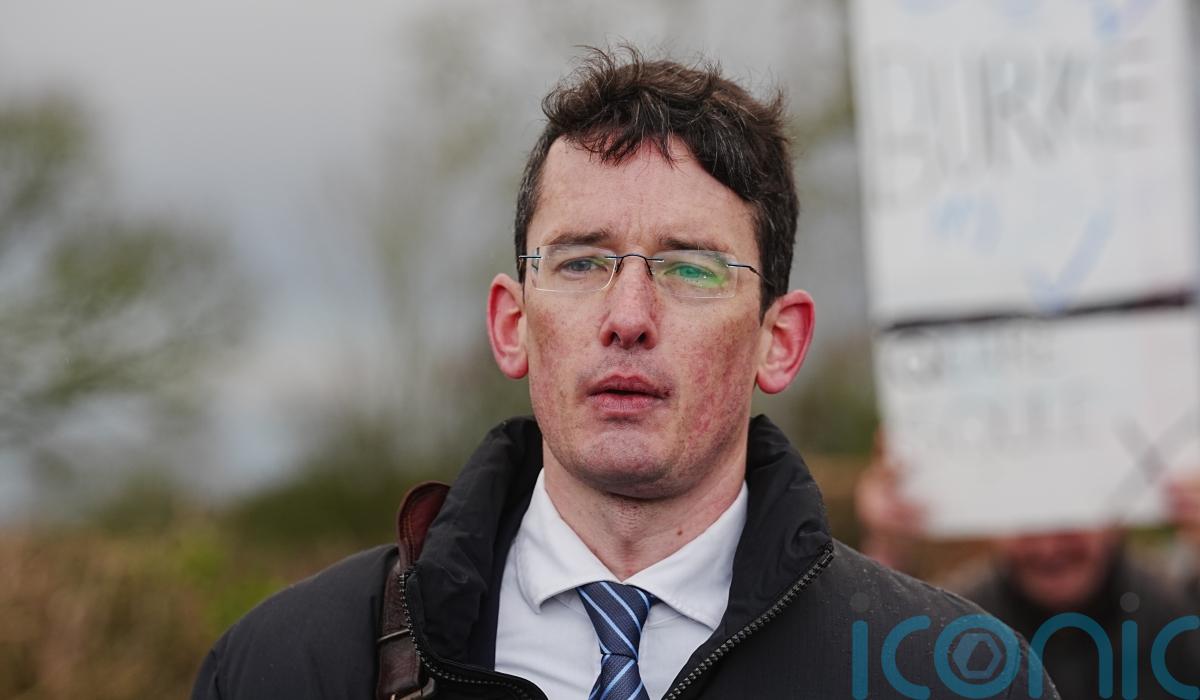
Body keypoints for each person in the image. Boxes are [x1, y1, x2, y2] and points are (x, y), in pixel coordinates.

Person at [192, 47, 1057, 699]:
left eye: (691, 268)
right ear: (512, 323)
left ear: (780, 341)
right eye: (580, 262)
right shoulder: (288, 666)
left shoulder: (953, 677)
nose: (629, 316)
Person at [856, 439, 1200, 699]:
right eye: (1026, 526)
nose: (1048, 548)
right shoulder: (948, 624)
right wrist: (887, 553)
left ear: (1116, 520)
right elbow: (866, 672)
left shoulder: (1177, 614)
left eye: (1069, 520)